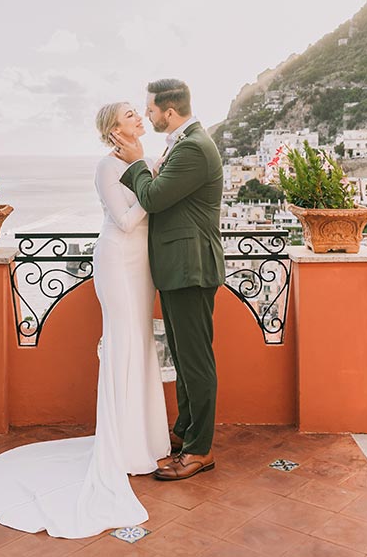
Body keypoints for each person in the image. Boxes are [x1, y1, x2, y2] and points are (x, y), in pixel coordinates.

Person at [0, 102, 170, 538]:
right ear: (114, 129)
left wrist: (151, 178)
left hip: (144, 267)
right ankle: (122, 447)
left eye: (138, 113)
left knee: (140, 345)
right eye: (130, 115)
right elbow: (128, 219)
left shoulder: (148, 160)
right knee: (123, 345)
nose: (139, 118)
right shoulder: (107, 167)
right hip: (118, 262)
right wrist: (152, 191)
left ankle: (145, 443)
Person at [112, 78, 225, 481]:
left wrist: (137, 163)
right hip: (180, 267)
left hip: (190, 267)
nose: (147, 114)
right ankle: (185, 432)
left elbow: (155, 197)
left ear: (170, 112)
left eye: (151, 109)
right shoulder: (184, 141)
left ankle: (200, 450)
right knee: (182, 357)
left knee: (195, 361)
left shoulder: (193, 146)